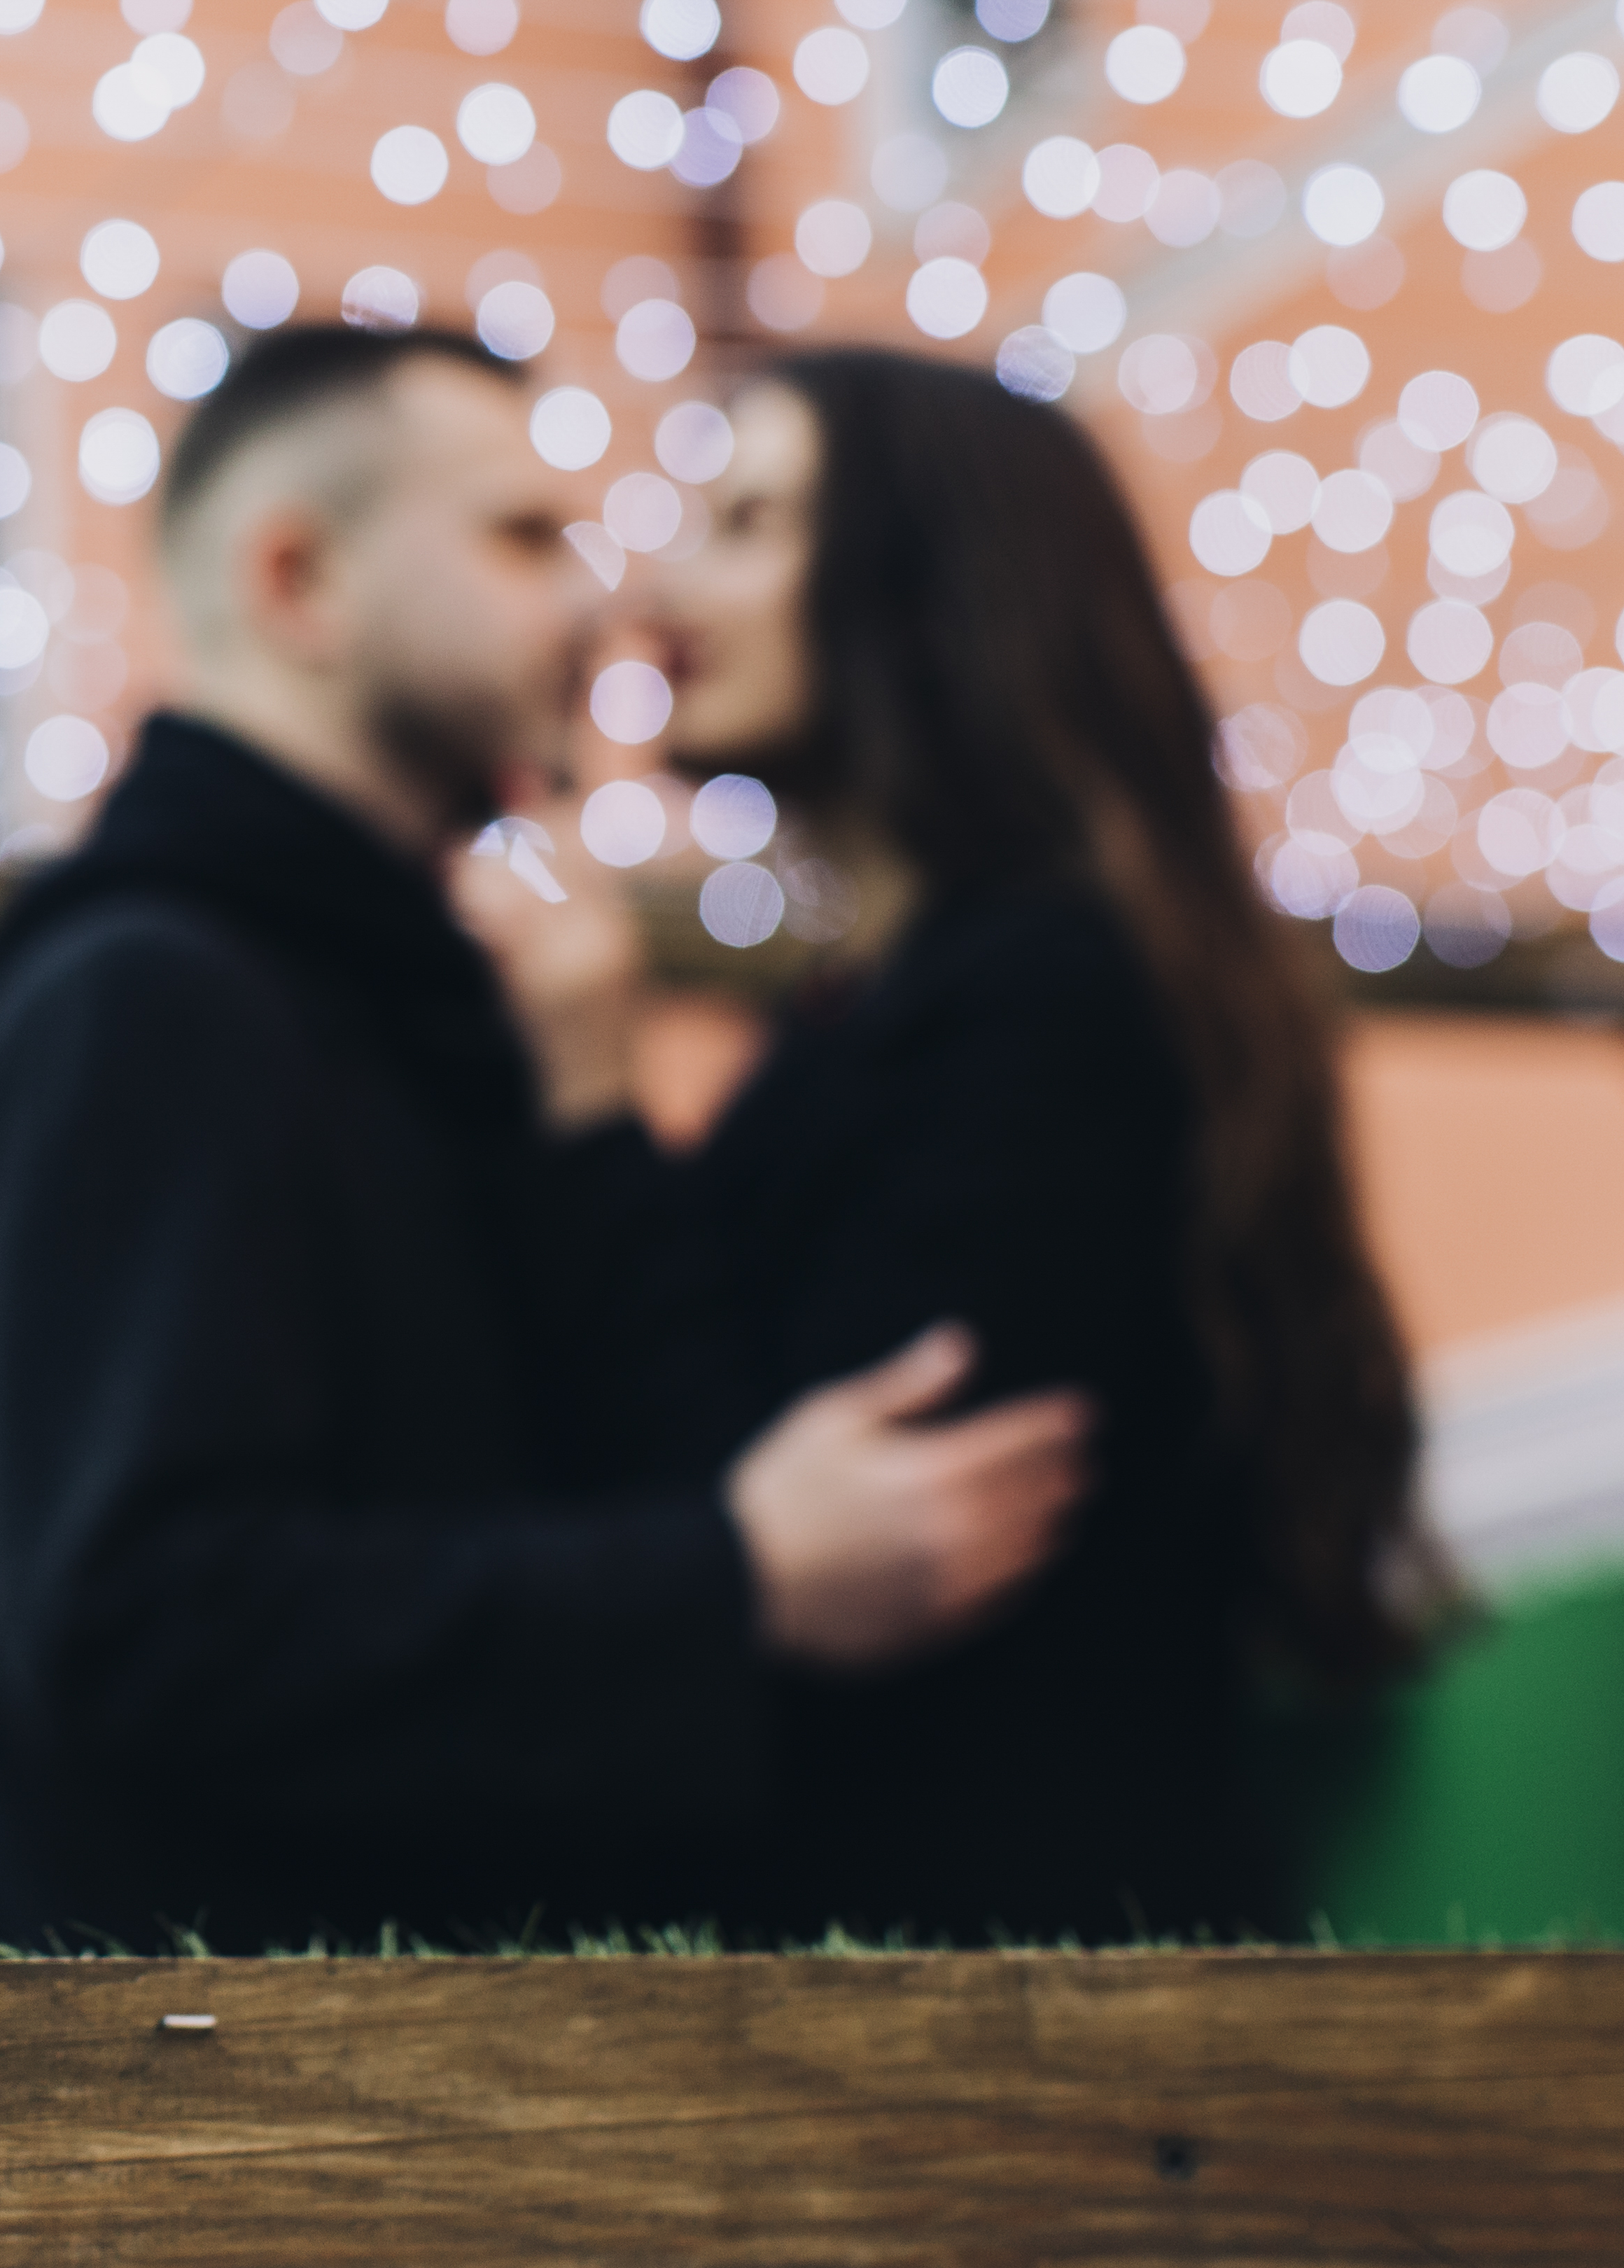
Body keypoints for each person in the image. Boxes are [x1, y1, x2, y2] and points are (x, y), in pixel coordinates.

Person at [0, 328, 1098, 1951]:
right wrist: (731, 1577)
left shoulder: (394, 1012)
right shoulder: (156, 999)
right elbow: (147, 1627)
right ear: (300, 581)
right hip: (204, 2139)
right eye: (525, 536)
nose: (601, 603)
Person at [487, 348, 1449, 1944]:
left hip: (1012, 1989)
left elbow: (835, 1496)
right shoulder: (913, 1003)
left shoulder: (1048, 999)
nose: (660, 585)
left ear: (924, 577)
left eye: (748, 522)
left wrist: (594, 1108)